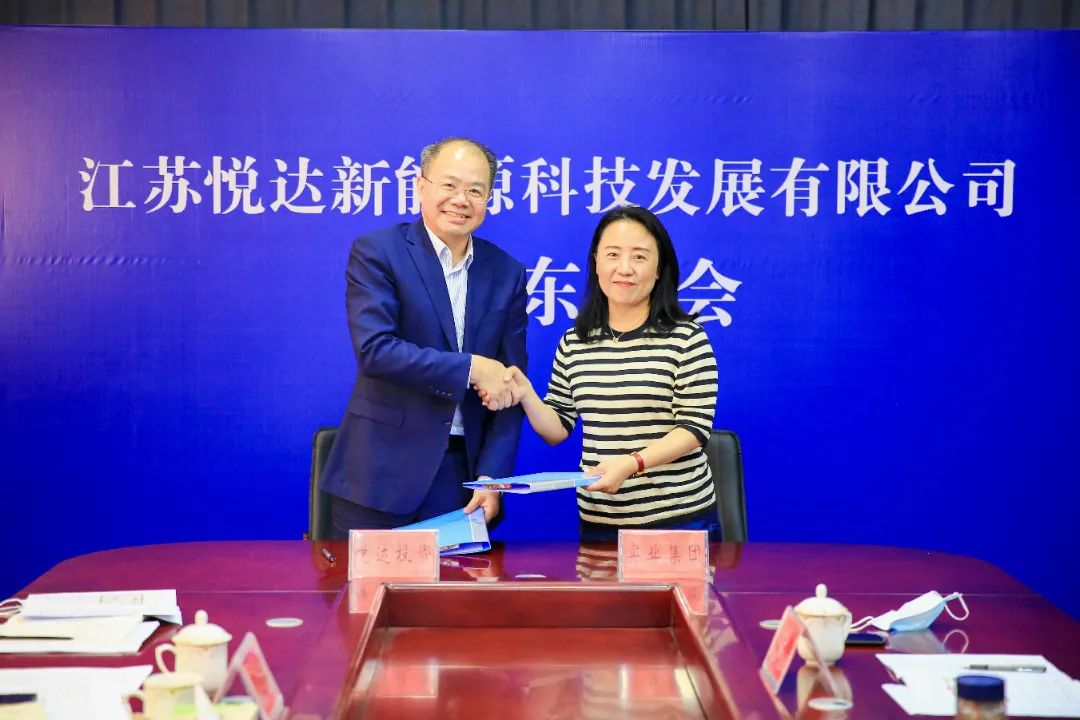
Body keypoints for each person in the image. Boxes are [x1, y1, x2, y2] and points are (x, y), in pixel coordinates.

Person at [319, 137, 527, 539]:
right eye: (449, 185)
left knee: (456, 585)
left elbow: (511, 384)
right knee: (367, 583)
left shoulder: (507, 272)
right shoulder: (379, 252)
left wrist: (493, 476)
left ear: (488, 199)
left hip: (462, 483)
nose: (461, 199)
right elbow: (376, 350)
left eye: (475, 190)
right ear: (420, 186)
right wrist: (471, 368)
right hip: (378, 475)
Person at [485, 205, 719, 541]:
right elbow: (557, 429)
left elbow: (694, 428)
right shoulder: (575, 341)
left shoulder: (686, 337)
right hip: (600, 521)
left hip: (677, 520)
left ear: (659, 269)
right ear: (596, 262)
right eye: (613, 254)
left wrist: (631, 463)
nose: (625, 268)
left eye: (639, 257)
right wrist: (526, 394)